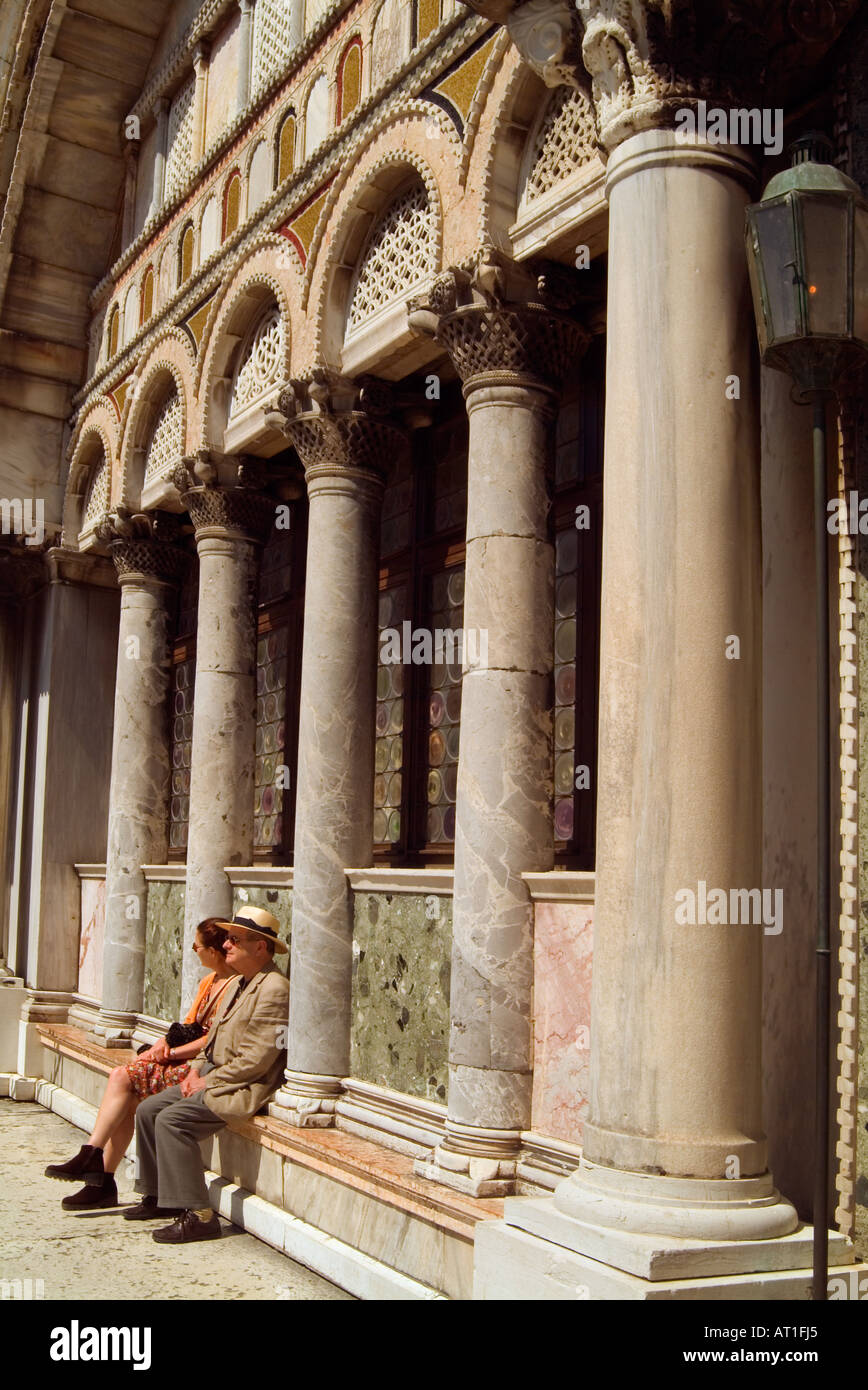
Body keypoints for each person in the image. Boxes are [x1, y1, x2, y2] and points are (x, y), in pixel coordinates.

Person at [44, 918, 237, 1210]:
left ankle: (97, 1168)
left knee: (124, 1080)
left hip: (198, 1065)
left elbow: (213, 1039)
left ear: (212, 950)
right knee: (124, 1083)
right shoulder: (208, 982)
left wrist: (170, 1054)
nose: (194, 951)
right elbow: (188, 1026)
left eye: (196, 946)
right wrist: (162, 1044)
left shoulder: (234, 985)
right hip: (182, 1056)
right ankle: (97, 1169)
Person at [125, 905, 290, 1243]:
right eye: (227, 939)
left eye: (235, 940)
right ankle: (159, 1196)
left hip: (242, 1085)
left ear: (260, 946)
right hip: (212, 1074)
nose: (225, 945)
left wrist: (206, 1080)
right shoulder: (234, 985)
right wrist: (195, 1070)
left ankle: (200, 1215)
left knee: (172, 1122)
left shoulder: (275, 989)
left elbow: (257, 1061)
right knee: (147, 1110)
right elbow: (210, 1041)